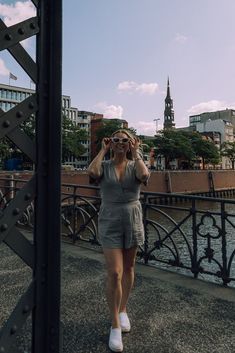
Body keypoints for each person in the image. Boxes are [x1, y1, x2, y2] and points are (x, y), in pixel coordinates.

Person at [87, 129, 150, 352]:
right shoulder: (104, 166)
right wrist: (102, 150)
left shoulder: (135, 165)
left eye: (125, 140)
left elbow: (144, 176)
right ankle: (115, 325)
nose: (121, 143)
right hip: (110, 218)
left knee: (130, 267)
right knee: (115, 272)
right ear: (111, 143)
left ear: (131, 143)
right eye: (116, 140)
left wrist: (137, 151)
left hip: (132, 218)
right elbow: (92, 172)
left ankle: (123, 309)